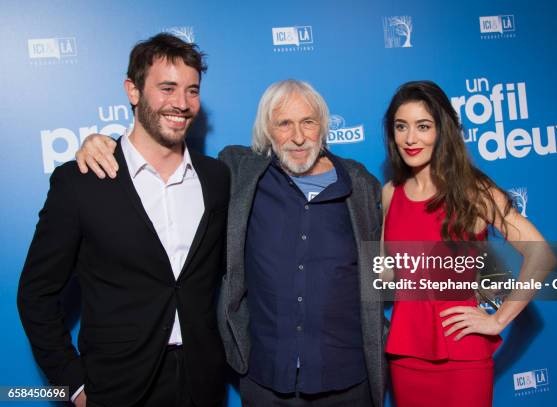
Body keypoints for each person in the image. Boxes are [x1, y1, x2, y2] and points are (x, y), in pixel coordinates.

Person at [74, 79, 387, 406]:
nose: (297, 136)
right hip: (266, 380)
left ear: (323, 126)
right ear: (267, 130)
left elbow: (390, 272)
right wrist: (105, 143)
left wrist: (441, 294)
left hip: (346, 379)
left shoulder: (361, 186)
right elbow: (161, 155)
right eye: (284, 123)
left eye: (308, 122)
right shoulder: (238, 173)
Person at [17, 33, 229, 407]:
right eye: (167, 88)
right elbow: (36, 295)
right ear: (133, 91)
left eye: (192, 90)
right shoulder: (81, 182)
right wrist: (74, 386)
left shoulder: (217, 178)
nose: (181, 103)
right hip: (116, 388)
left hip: (203, 383)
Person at [381, 80, 553, 407]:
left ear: (443, 130)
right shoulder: (391, 193)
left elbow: (540, 254)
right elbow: (387, 274)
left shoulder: (473, 191)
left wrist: (497, 319)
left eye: (423, 126)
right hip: (406, 356)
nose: (410, 138)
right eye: (401, 126)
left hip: (462, 355)